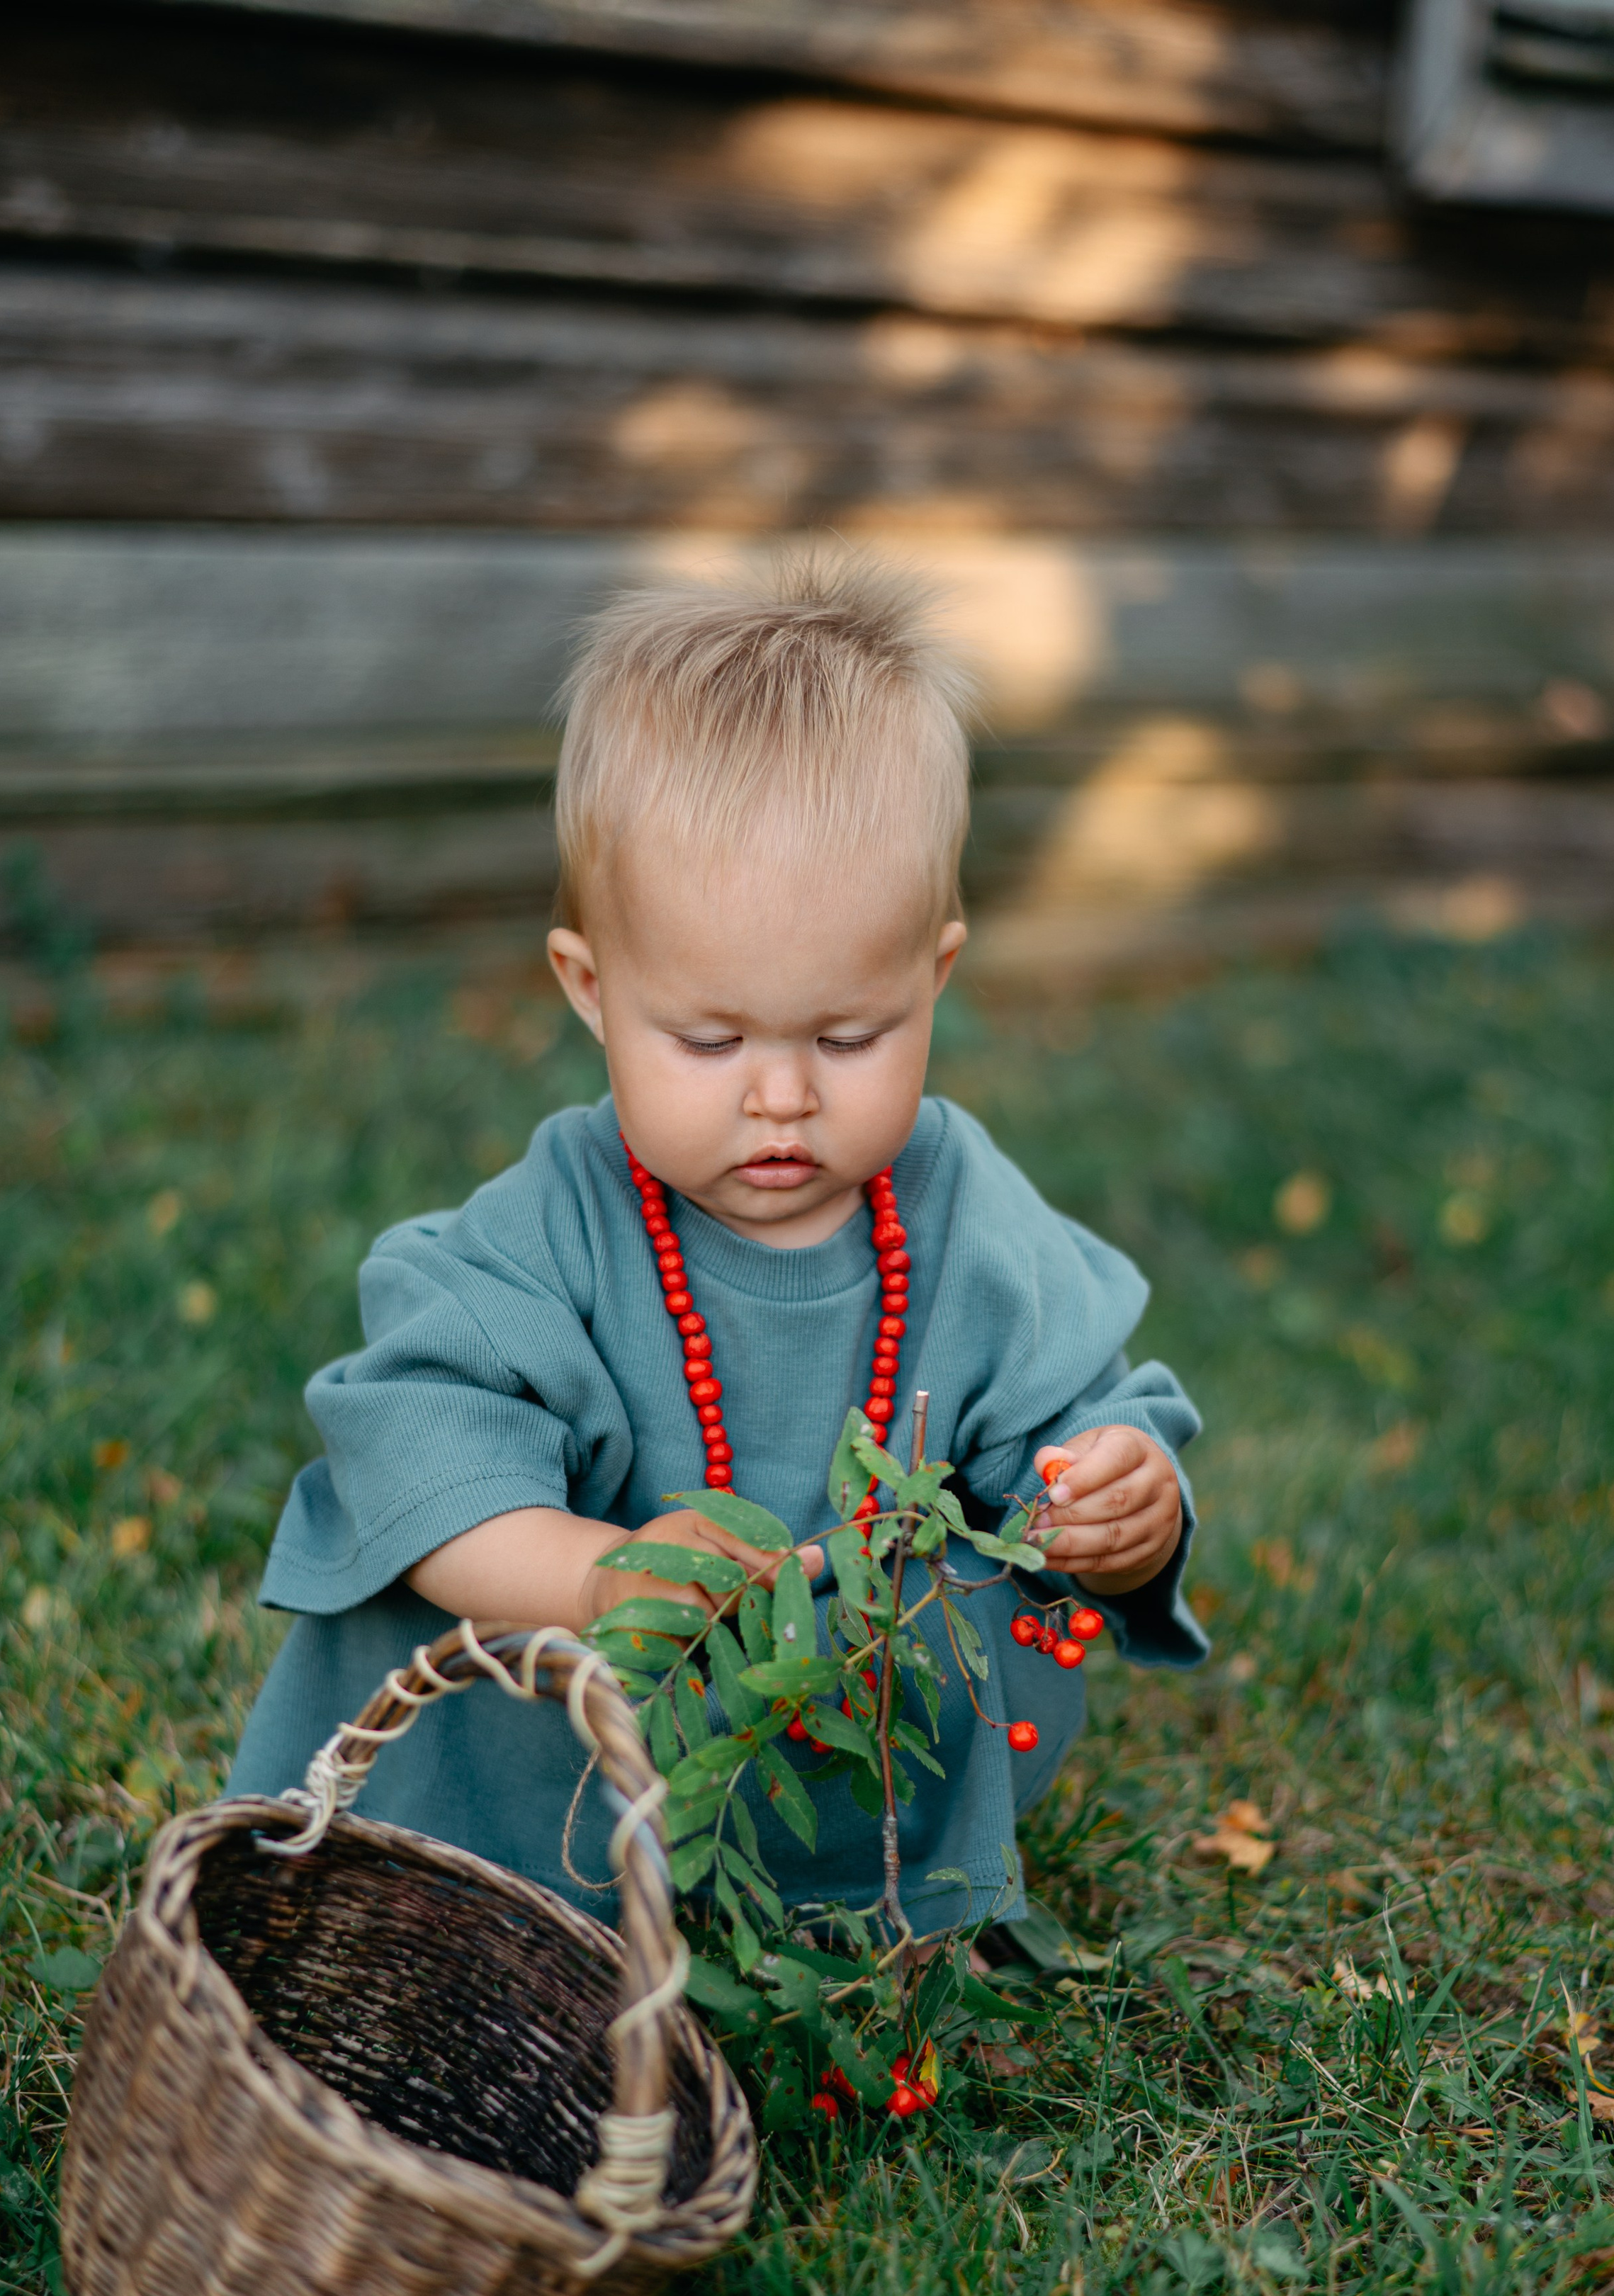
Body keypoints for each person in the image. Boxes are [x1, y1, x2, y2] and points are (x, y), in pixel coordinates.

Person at [230, 557, 1207, 1931]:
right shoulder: (558, 1223)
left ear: (932, 977)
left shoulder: (957, 1211)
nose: (780, 1095)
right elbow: (413, 1452)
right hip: (571, 1773)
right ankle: (521, 1902)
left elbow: (1079, 1409)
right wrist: (593, 1571)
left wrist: (1123, 1493)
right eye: (707, 1039)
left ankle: (835, 1915)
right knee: (497, 1709)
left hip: (841, 1763)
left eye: (846, 1035)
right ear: (590, 988)